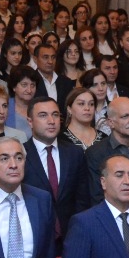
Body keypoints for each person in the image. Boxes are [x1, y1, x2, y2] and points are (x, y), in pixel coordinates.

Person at [23, 96, 88, 245]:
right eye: (43, 115)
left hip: (72, 237)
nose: (51, 121)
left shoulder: (75, 153)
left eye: (55, 115)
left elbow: (82, 199)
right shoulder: (21, 154)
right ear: (30, 122)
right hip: (34, 238)